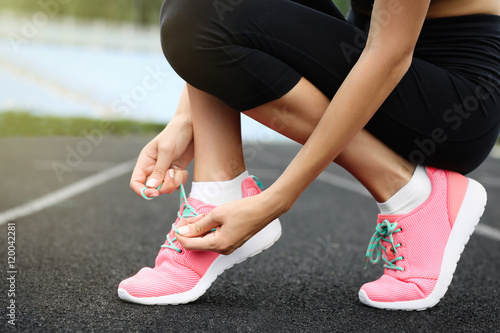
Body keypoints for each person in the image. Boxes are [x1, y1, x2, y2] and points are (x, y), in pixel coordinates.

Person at [118, 0, 500, 310]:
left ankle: (410, 193)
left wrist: (275, 201)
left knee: (199, 16)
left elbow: (389, 56)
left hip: (452, 102)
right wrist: (186, 122)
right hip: (365, 52)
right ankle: (219, 189)